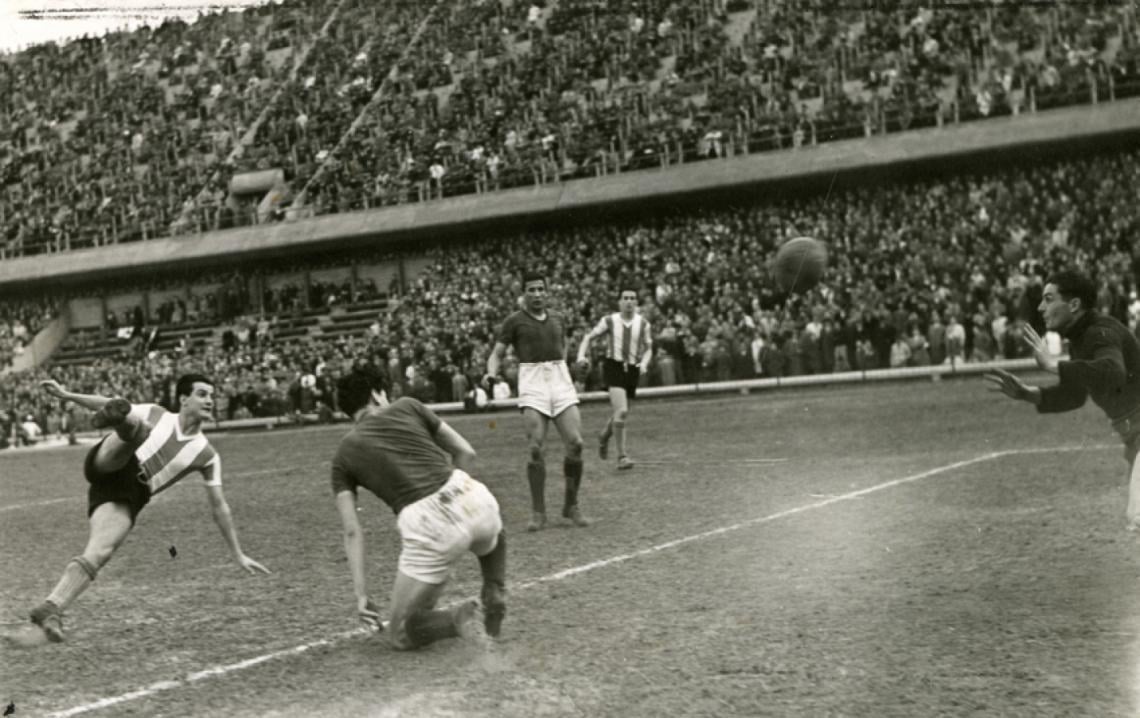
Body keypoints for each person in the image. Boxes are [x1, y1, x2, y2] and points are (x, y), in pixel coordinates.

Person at [3, 375, 269, 648]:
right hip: (112, 459)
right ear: (183, 399)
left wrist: (238, 554)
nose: (210, 401)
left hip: (129, 494)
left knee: (100, 552)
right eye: (202, 394)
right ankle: (119, 420)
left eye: (212, 396)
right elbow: (106, 402)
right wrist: (67, 395)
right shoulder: (158, 413)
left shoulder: (207, 454)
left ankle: (51, 609)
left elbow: (219, 506)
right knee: (139, 428)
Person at [331, 370, 507, 649]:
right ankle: (494, 585)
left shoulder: (343, 455)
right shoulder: (408, 405)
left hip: (428, 522)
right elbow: (466, 452)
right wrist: (454, 498)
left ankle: (457, 620)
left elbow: (352, 531)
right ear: (376, 394)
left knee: (400, 633)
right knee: (493, 529)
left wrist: (361, 594)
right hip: (471, 494)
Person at [984, 270, 1140, 529]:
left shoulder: (1100, 332)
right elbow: (1074, 395)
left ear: (1074, 304)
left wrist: (1052, 365)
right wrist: (1027, 393)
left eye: (1048, 298)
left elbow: (1113, 372)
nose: (1040, 306)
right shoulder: (1083, 336)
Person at [486, 271, 589, 531]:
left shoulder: (558, 318)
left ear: (547, 291)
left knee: (576, 444)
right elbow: (496, 354)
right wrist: (490, 373)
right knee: (535, 447)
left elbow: (561, 346)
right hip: (532, 379)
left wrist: (568, 366)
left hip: (559, 378)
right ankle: (538, 512)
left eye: (540, 289)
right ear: (524, 294)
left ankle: (571, 505)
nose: (537, 294)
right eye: (531, 290)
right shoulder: (514, 321)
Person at [576, 285, 653, 470]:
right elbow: (588, 337)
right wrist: (581, 356)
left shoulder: (643, 324)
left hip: (632, 369)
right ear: (619, 302)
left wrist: (644, 363)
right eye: (625, 298)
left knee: (621, 411)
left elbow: (649, 348)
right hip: (614, 367)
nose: (628, 301)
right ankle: (622, 456)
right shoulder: (609, 320)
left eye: (632, 298)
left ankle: (604, 436)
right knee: (623, 411)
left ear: (636, 302)